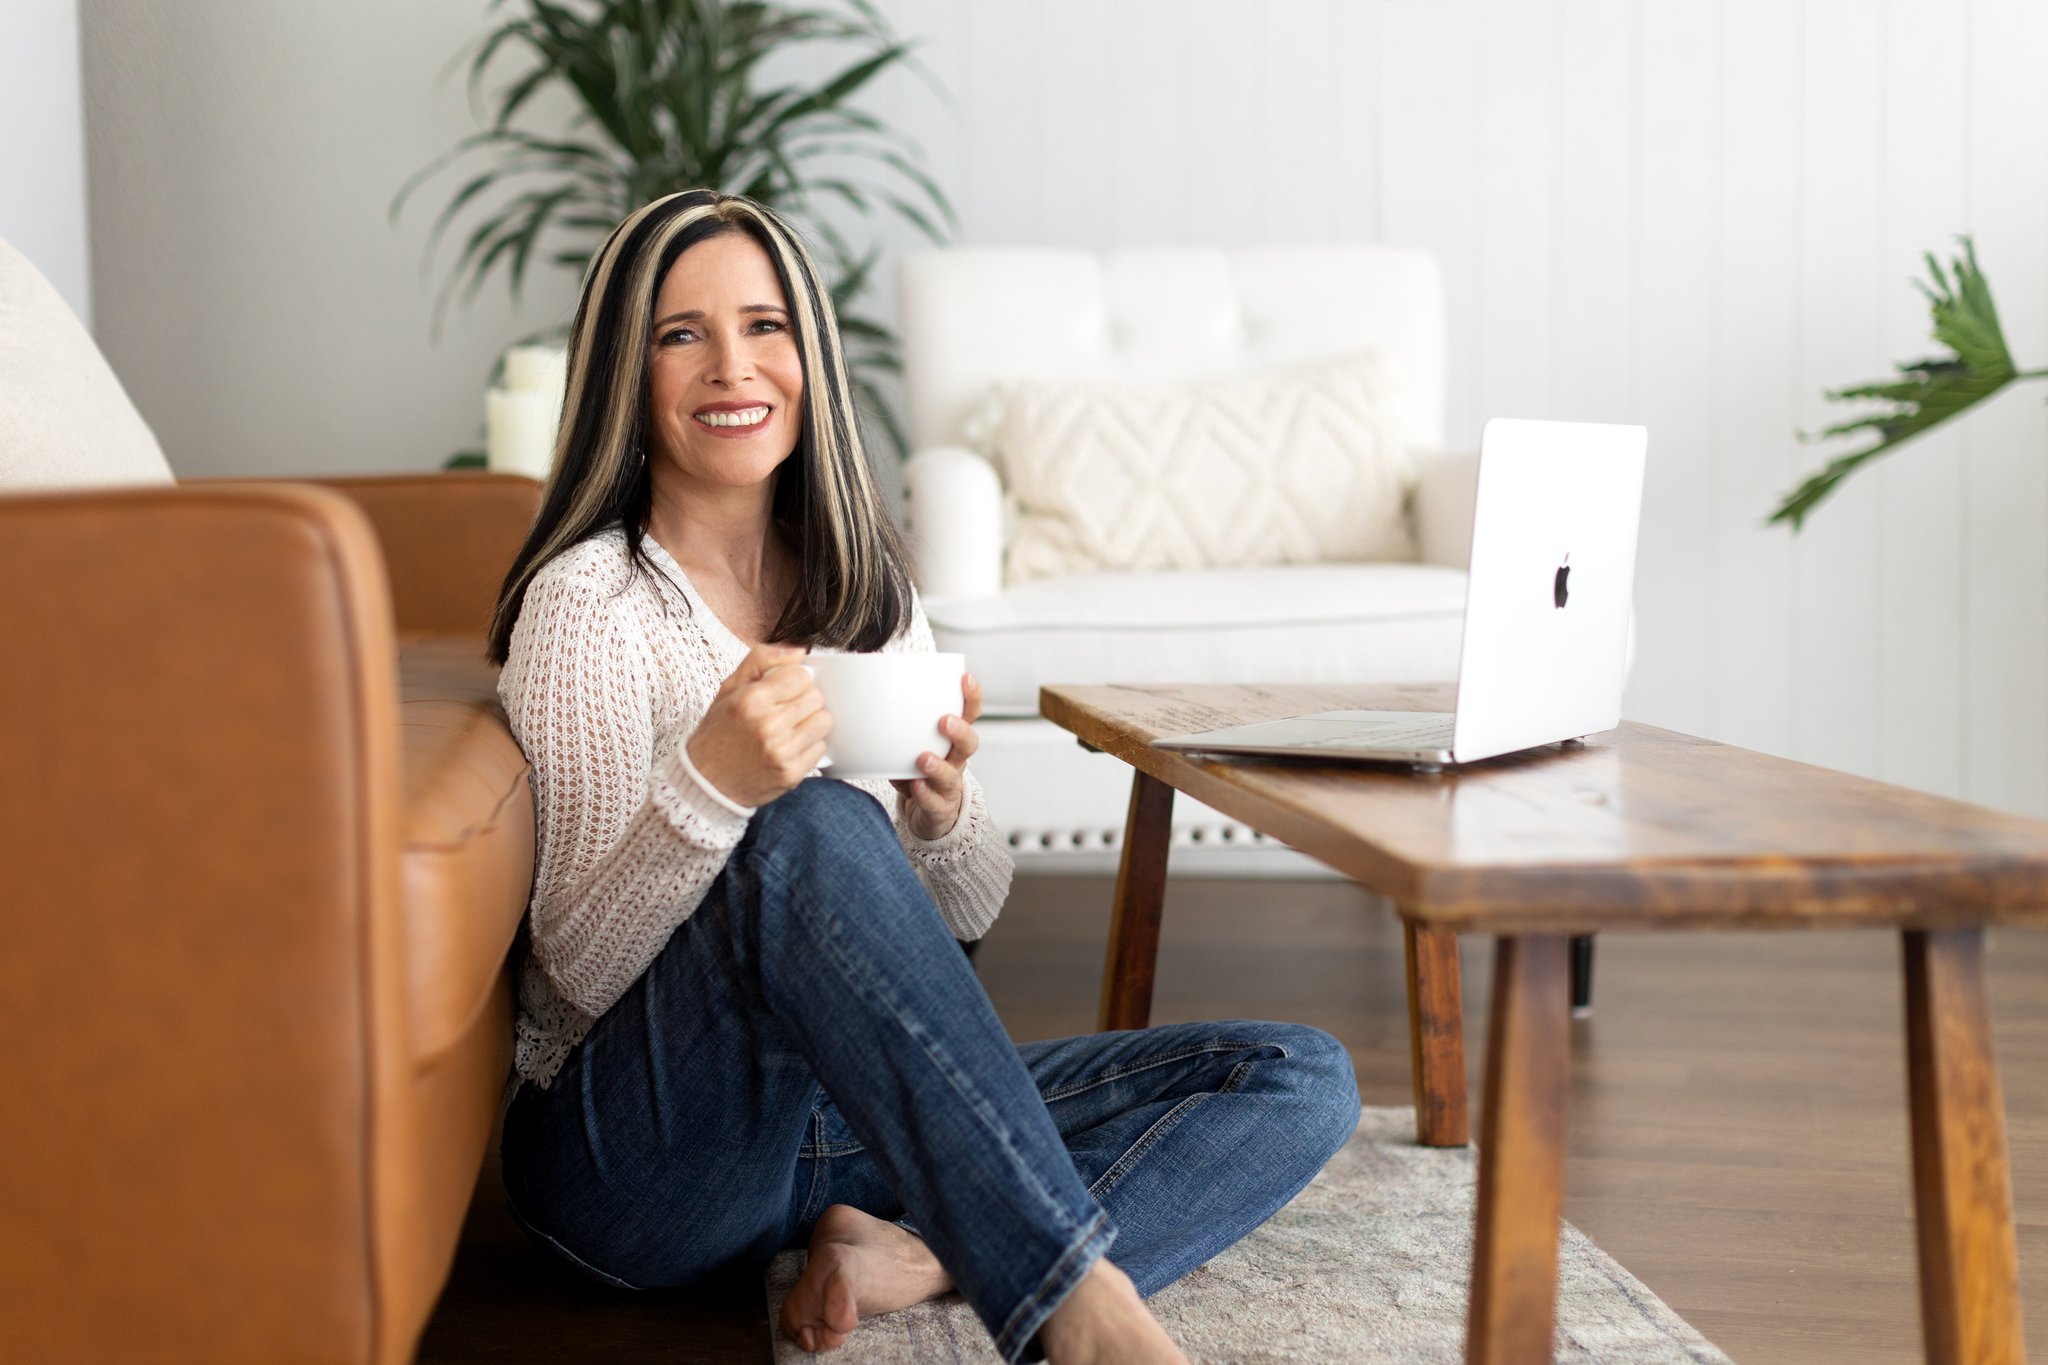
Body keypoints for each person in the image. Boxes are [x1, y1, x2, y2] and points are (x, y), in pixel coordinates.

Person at [484, 189, 1361, 1364]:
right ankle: (1072, 1307)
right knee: (798, 824)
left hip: (826, 1124)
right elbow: (575, 969)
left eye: (765, 325)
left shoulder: (861, 591)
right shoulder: (590, 605)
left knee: (1297, 1078)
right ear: (625, 379)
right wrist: (709, 784)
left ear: (811, 354)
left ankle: (932, 1248)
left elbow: (962, 920)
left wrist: (941, 817)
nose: (731, 365)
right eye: (678, 334)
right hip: (632, 1163)